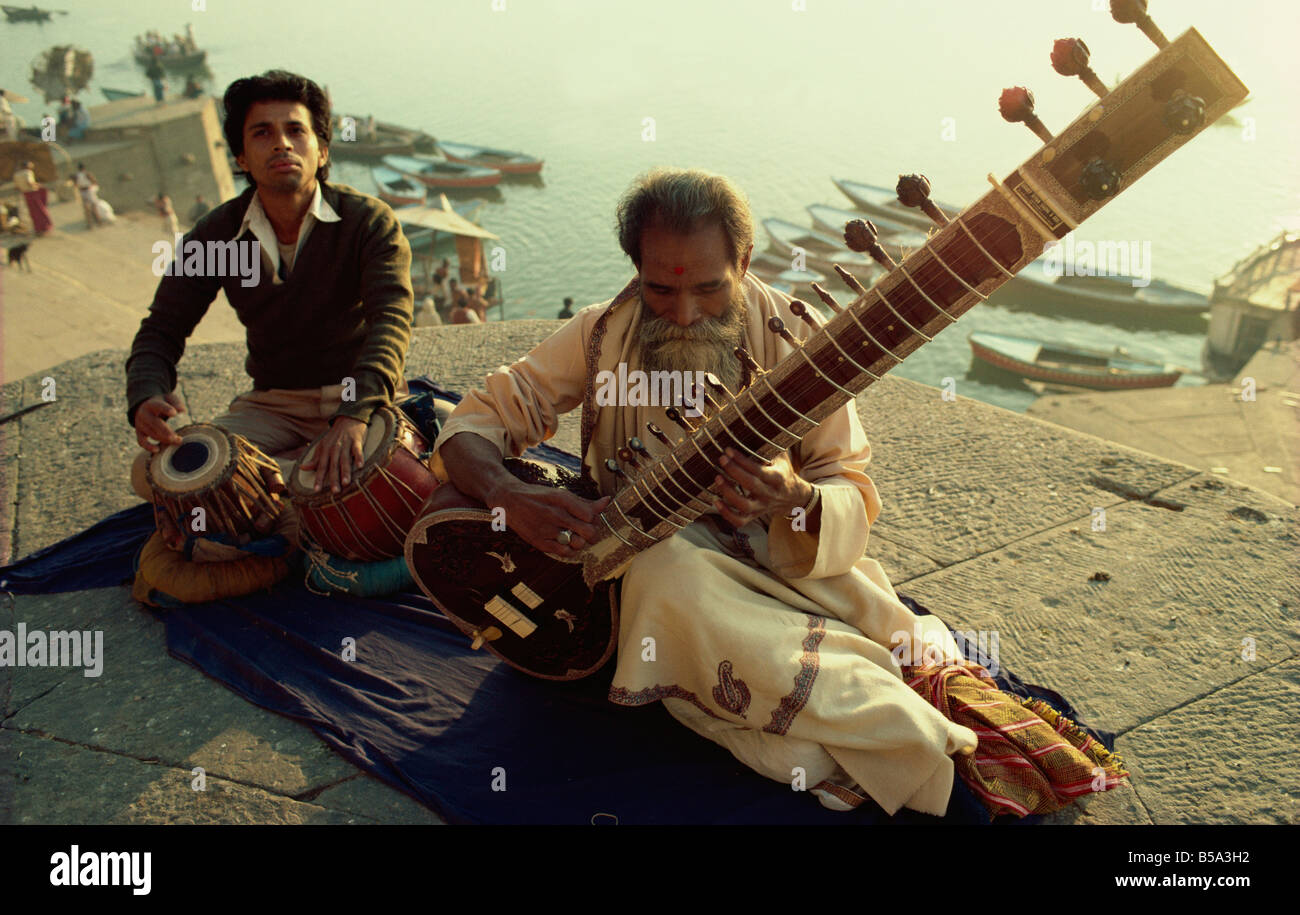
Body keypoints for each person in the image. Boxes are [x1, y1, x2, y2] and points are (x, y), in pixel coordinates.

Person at [432, 167, 1125, 817]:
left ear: (745, 260)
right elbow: (479, 417)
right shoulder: (601, 333)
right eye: (661, 290)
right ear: (637, 273)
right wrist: (503, 492)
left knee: (754, 682)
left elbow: (850, 489)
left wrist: (792, 497)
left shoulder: (800, 345)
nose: (683, 314)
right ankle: (893, 735)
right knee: (669, 572)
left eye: (709, 288)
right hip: (641, 580)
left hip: (776, 573)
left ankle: (899, 734)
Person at [126, 69, 414, 511]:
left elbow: (391, 321)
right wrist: (146, 392)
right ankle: (302, 476)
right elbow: (163, 327)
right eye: (262, 133)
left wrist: (353, 414)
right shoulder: (218, 237)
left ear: (321, 151)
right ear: (241, 158)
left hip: (359, 395)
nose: (281, 143)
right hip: (272, 406)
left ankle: (273, 482)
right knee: (154, 473)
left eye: (296, 130)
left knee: (413, 468)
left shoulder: (367, 223)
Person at [12, 160, 53, 236]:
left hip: (26, 194)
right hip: (33, 193)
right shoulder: (27, 172)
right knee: (40, 211)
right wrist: (38, 185)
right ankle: (44, 227)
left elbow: (16, 187)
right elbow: (30, 182)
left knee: (33, 212)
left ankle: (38, 228)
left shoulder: (16, 175)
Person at [71, 163, 102, 229]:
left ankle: (94, 223)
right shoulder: (84, 174)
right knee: (91, 207)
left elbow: (75, 184)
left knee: (89, 208)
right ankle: (96, 222)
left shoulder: (79, 175)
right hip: (86, 191)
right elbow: (94, 181)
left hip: (85, 191)